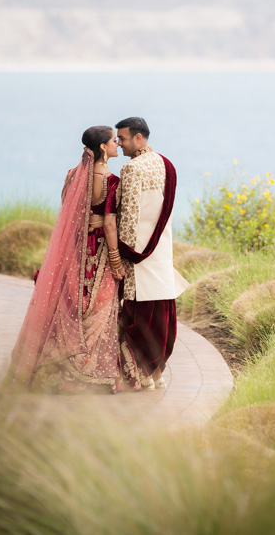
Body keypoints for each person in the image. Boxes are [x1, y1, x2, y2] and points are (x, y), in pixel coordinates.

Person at [6, 126, 129, 393]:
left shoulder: (72, 175)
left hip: (73, 255)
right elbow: (109, 225)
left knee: (70, 306)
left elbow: (69, 212)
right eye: (113, 141)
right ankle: (88, 375)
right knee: (99, 307)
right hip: (98, 253)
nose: (117, 144)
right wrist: (117, 262)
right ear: (103, 148)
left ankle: (57, 370)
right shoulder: (111, 181)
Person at [114, 117, 188, 390]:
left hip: (139, 257)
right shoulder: (167, 164)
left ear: (138, 138)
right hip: (161, 254)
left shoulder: (132, 168)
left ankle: (141, 375)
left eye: (122, 138)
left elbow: (129, 219)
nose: (119, 144)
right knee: (161, 317)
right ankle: (157, 375)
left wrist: (120, 255)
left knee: (138, 315)